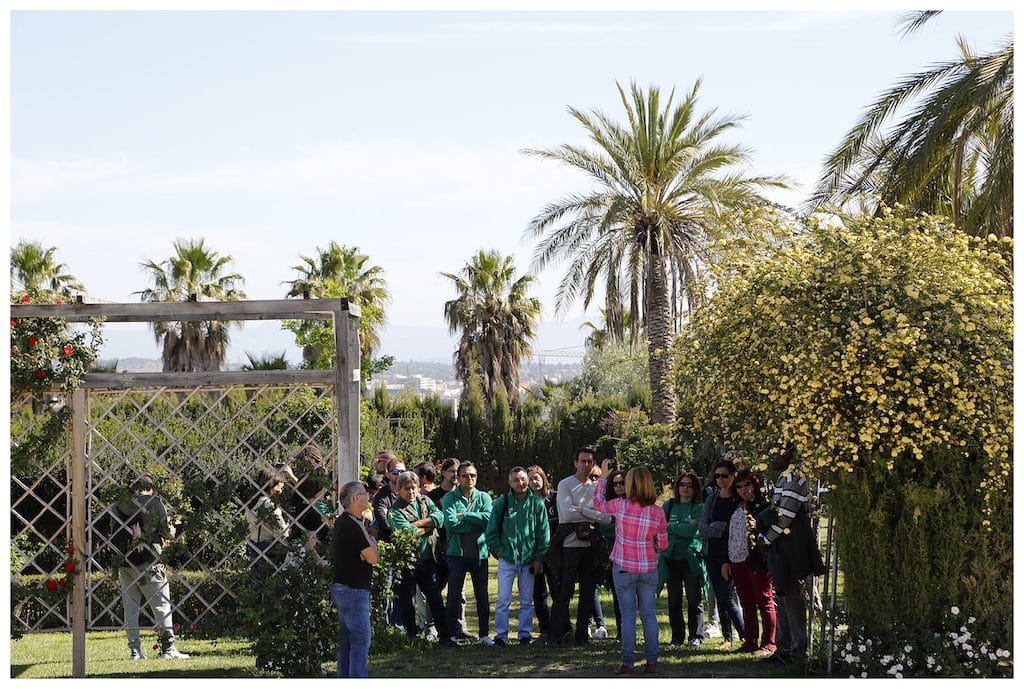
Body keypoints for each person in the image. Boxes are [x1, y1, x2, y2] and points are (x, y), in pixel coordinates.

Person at [593, 461, 667, 676]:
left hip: (623, 567)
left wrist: (603, 479)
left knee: (627, 616)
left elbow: (598, 503)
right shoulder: (657, 512)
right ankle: (651, 662)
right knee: (649, 615)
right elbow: (662, 545)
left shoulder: (620, 505)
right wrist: (652, 542)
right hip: (648, 569)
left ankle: (627, 663)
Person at [756, 448, 824, 668]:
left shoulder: (794, 477)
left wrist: (767, 538)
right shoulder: (783, 476)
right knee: (782, 594)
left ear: (789, 455)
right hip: (781, 542)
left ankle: (797, 649)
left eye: (776, 453)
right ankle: (784, 647)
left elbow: (785, 516)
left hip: (791, 543)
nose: (772, 458)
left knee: (791, 597)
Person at [112, 474, 189, 660]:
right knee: (161, 605)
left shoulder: (117, 504)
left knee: (130, 607)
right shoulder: (155, 503)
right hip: (149, 559)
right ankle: (168, 648)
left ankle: (135, 650)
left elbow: (113, 531)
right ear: (150, 488)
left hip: (125, 560)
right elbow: (167, 532)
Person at [548, 448, 611, 645]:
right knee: (564, 591)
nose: (586, 465)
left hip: (591, 547)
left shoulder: (596, 487)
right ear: (575, 462)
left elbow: (607, 517)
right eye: (582, 461)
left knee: (588, 592)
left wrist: (582, 510)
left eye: (590, 462)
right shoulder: (565, 484)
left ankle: (582, 635)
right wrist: (591, 513)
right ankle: (557, 635)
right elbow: (566, 515)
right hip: (569, 546)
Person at [484, 465, 550, 645]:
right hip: (507, 559)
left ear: (527, 479)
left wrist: (539, 558)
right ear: (509, 482)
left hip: (529, 560)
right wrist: (498, 551)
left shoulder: (537, 504)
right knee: (503, 600)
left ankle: (524, 634)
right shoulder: (502, 502)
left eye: (522, 479)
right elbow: (491, 531)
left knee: (526, 601)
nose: (520, 483)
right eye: (515, 480)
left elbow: (543, 534)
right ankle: (501, 635)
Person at [388, 471, 452, 644]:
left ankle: (445, 636)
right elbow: (407, 533)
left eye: (414, 488)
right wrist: (428, 526)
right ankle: (412, 637)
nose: (411, 492)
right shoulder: (394, 511)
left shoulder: (425, 500)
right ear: (399, 489)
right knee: (408, 601)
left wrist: (418, 524)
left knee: (435, 598)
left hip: (429, 558)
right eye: (407, 489)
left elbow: (440, 518)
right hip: (408, 561)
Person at [441, 460, 494, 645]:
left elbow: (489, 520)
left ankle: (484, 634)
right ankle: (450, 635)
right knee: (454, 595)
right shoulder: (449, 498)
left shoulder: (484, 497)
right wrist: (475, 522)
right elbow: (451, 524)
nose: (469, 478)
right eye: (465, 475)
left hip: (479, 554)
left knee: (482, 595)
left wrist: (466, 516)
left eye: (473, 475)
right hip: (457, 554)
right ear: (458, 478)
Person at [724, 469, 775, 656]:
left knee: (764, 600)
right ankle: (750, 640)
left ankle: (769, 642)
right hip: (737, 559)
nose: (744, 489)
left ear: (754, 484)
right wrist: (727, 561)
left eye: (747, 484)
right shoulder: (735, 506)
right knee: (746, 601)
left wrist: (758, 526)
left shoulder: (764, 504)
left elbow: (772, 528)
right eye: (739, 486)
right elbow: (729, 535)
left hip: (757, 560)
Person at [331, 481, 378, 678]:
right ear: (356, 499)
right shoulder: (353, 525)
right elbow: (373, 557)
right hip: (354, 591)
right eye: (364, 493)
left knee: (347, 641)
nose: (368, 496)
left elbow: (366, 554)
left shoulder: (343, 521)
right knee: (360, 640)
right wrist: (372, 543)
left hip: (342, 588)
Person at [698, 457, 746, 649]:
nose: (720, 480)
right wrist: (719, 528)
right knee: (719, 596)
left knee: (726, 597)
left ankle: (745, 635)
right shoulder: (712, 498)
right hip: (711, 554)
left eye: (724, 475)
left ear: (733, 476)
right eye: (717, 476)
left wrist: (717, 528)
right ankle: (727, 638)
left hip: (730, 556)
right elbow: (702, 527)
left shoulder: (737, 501)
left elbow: (735, 530)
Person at [661, 471, 707, 647]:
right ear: (677, 487)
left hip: (690, 558)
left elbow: (691, 532)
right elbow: (660, 530)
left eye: (690, 485)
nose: (685, 488)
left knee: (694, 598)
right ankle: (677, 638)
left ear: (695, 489)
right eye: (682, 484)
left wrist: (671, 526)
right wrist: (681, 526)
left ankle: (696, 636)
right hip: (671, 558)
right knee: (674, 600)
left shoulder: (699, 508)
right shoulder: (669, 505)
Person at [428, 458, 470, 640]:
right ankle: (433, 627)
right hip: (437, 548)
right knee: (435, 589)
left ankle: (459, 627)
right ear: (443, 472)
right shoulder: (433, 496)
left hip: (458, 547)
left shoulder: (463, 495)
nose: (455, 475)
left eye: (457, 472)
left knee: (459, 591)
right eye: (452, 471)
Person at [527, 464, 557, 641]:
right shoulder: (526, 501)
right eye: (530, 479)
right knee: (538, 593)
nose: (533, 482)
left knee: (557, 590)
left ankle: (561, 627)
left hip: (554, 551)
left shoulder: (554, 498)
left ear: (543, 478)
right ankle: (545, 629)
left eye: (536, 478)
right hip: (534, 553)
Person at [596, 469, 626, 640]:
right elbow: (604, 527)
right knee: (617, 593)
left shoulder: (633, 502)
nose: (619, 486)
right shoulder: (609, 504)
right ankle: (621, 631)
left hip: (632, 555)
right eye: (615, 483)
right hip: (613, 554)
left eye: (622, 483)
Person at [246, 467, 290, 572]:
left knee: (258, 581)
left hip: (253, 546)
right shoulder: (268, 504)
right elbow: (282, 533)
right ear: (271, 486)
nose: (280, 492)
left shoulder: (252, 501)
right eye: (279, 489)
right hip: (268, 548)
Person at [293, 476, 332, 564]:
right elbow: (310, 547)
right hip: (309, 561)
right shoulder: (312, 515)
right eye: (321, 492)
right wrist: (322, 565)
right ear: (313, 492)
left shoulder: (297, 507)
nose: (323, 497)